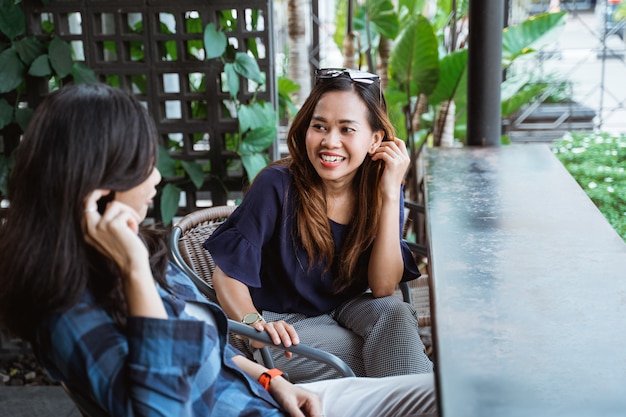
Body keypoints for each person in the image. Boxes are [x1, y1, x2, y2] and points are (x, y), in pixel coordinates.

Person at [0, 83, 437, 417]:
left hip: (279, 395)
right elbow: (160, 406)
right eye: (143, 164)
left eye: (347, 129)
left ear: (375, 137)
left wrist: (270, 379)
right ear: (99, 184)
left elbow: (210, 344)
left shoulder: (142, 263)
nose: (155, 180)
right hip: (277, 349)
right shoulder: (70, 310)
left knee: (429, 380)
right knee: (421, 383)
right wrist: (136, 272)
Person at [203, 68, 433, 383]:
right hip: (280, 322)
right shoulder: (277, 186)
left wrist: (391, 194)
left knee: (395, 316)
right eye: (319, 126)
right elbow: (226, 274)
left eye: (347, 129)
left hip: (348, 308)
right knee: (378, 359)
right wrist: (255, 325)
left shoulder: (381, 184)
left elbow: (382, 288)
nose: (330, 142)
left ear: (375, 139)